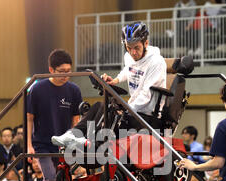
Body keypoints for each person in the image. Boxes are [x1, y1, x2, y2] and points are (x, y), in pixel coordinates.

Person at [51, 21, 167, 149]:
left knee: (108, 110)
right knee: (98, 106)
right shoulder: (129, 57)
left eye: (136, 48)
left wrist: (126, 109)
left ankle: (88, 142)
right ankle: (73, 134)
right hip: (134, 110)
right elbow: (128, 70)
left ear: (146, 43)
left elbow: (146, 96)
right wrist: (116, 80)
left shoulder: (157, 62)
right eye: (129, 47)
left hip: (148, 116)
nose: (133, 52)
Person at [26, 49, 82, 181]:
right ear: (51, 70)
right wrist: (28, 145)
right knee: (50, 179)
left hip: (63, 144)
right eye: (61, 71)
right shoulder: (37, 89)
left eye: (69, 71)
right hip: (42, 144)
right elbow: (29, 118)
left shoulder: (74, 90)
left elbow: (76, 119)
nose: (66, 75)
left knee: (64, 180)